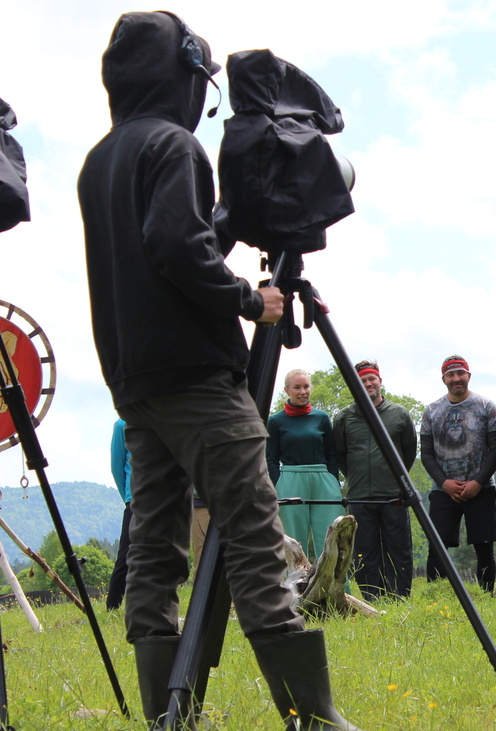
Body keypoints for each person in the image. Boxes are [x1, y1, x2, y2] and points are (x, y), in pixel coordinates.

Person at [77, 12, 356, 728]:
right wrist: (250, 300)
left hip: (134, 382)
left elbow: (164, 243)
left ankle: (167, 710)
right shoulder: (173, 146)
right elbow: (175, 245)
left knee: (155, 543)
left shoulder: (102, 158)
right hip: (197, 378)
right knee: (255, 532)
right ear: (181, 74)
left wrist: (226, 225)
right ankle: (312, 714)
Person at [335, 360, 417, 601]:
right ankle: (372, 597)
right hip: (360, 496)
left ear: (380, 381)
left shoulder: (399, 414)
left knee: (399, 550)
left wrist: (395, 478)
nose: (368, 384)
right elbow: (340, 454)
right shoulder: (344, 418)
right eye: (361, 381)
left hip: (394, 495)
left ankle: (400, 597)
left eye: (371, 379)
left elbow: (409, 452)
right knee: (364, 553)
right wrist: (357, 477)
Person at [420, 355, 496, 594]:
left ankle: (487, 595)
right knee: (438, 546)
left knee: (484, 546)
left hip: (482, 487)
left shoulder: (487, 407)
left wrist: (478, 481)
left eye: (460, 373)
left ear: (468, 376)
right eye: (451, 374)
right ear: (443, 378)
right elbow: (426, 454)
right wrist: (444, 483)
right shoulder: (431, 411)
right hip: (443, 490)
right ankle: (436, 597)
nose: (456, 378)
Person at [266, 369, 343, 558]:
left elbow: (331, 453)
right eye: (297, 387)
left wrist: (333, 481)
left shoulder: (322, 418)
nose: (302, 391)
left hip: (322, 479)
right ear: (287, 390)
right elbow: (271, 458)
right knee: (293, 539)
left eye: (306, 386)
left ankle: (333, 584)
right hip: (291, 478)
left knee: (329, 536)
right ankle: (292, 586)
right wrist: (278, 484)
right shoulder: (275, 421)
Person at [105, 419, 132, 611]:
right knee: (126, 556)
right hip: (136, 499)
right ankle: (112, 607)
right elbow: (116, 467)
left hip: (162, 497)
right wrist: (127, 497)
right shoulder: (122, 424)